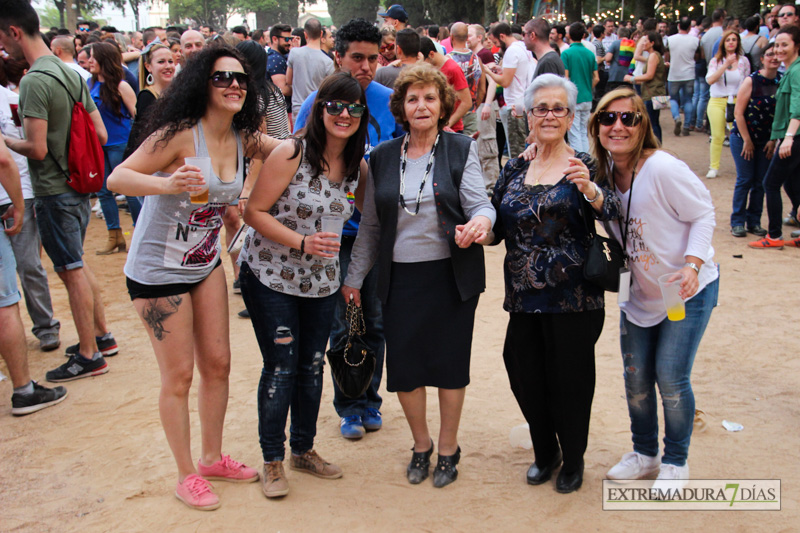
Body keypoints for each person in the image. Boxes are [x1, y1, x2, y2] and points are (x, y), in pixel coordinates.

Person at [107, 45, 282, 510]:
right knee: (179, 375)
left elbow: (290, 150)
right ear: (203, 83)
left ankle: (210, 457)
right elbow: (118, 179)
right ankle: (186, 474)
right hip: (157, 271)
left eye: (242, 80)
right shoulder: (180, 134)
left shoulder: (245, 136)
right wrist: (166, 184)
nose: (234, 86)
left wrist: (337, 120)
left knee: (219, 365)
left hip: (203, 265)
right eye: (223, 78)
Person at [341, 63, 496, 488]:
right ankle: (421, 445)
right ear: (402, 108)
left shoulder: (460, 148)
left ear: (443, 104)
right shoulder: (382, 157)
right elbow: (371, 226)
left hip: (451, 277)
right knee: (406, 370)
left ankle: (448, 448)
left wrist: (480, 224)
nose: (422, 105)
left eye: (430, 97)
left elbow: (481, 204)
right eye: (413, 98)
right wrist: (353, 279)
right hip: (400, 280)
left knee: (448, 366)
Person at [239, 72, 369, 498]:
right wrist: (301, 241)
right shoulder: (291, 152)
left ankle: (303, 449)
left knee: (312, 366)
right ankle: (272, 461)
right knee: (281, 367)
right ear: (319, 108)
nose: (343, 114)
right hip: (271, 275)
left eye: (353, 107)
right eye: (335, 105)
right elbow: (254, 212)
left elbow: (369, 218)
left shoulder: (357, 166)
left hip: (322, 282)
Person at [490, 74, 620, 494]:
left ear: (570, 116)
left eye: (557, 108)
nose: (549, 115)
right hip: (523, 296)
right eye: (540, 108)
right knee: (522, 372)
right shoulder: (516, 165)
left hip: (574, 298)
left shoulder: (586, 163)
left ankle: (573, 458)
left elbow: (615, 213)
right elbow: (494, 221)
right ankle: (545, 451)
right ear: (528, 115)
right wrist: (475, 227)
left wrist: (593, 192)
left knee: (571, 381)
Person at [590, 88, 718, 493]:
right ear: (596, 126)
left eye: (628, 118)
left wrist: (693, 265)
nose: (618, 126)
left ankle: (676, 460)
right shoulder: (602, 173)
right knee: (635, 377)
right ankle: (645, 454)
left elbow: (703, 214)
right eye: (608, 118)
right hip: (638, 289)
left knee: (670, 375)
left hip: (685, 289)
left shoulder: (662, 168)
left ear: (643, 124)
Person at [294, 18, 403, 440]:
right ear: (337, 56)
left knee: (373, 322)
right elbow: (299, 162)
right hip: (330, 237)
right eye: (357, 57)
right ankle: (349, 407)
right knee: (344, 324)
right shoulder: (316, 102)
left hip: (375, 235)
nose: (366, 66)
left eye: (374, 58)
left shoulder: (390, 101)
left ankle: (369, 400)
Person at [1, 1, 120, 381]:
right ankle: (101, 337)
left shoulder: (35, 79)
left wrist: (5, 141)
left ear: (14, 32)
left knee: (69, 269)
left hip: (54, 188)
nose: (3, 48)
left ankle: (88, 353)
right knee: (78, 263)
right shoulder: (69, 73)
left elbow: (35, 148)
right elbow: (99, 134)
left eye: (2, 39)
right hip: (80, 184)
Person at [0, 132, 68, 415]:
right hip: (15, 197)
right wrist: (17, 202)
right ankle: (24, 391)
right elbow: (3, 160)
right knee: (5, 305)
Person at [0, 81, 61, 352]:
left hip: (19, 192)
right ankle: (43, 327)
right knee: (29, 266)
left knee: (29, 265)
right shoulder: (14, 98)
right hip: (21, 194)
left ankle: (45, 326)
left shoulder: (13, 99)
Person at [749, 26, 800, 249]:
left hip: (795, 137)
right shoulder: (790, 70)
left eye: (784, 44)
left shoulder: (797, 71)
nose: (778, 49)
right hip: (791, 136)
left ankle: (775, 236)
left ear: (797, 46)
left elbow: (798, 108)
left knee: (771, 183)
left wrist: (788, 138)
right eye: (777, 44)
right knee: (793, 184)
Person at [87, 41, 141, 254]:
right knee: (103, 191)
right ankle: (115, 235)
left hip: (120, 143)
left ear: (104, 59)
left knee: (129, 190)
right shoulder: (89, 84)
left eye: (93, 57)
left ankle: (138, 233)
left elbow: (138, 114)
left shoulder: (121, 85)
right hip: (98, 145)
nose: (90, 61)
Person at [729, 43, 779, 238]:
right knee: (745, 179)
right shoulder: (752, 81)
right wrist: (747, 140)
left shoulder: (783, 81)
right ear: (762, 59)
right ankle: (737, 222)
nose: (773, 57)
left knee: (761, 181)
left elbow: (781, 115)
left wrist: (773, 140)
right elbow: (738, 113)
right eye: (769, 54)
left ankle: (754, 221)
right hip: (743, 138)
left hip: (766, 141)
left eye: (776, 54)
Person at [705, 30, 750, 178]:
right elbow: (710, 80)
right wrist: (725, 65)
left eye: (734, 40)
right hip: (717, 100)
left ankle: (742, 166)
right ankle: (714, 167)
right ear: (723, 43)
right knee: (717, 136)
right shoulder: (715, 61)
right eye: (728, 40)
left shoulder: (744, 61)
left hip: (737, 101)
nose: (731, 42)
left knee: (738, 134)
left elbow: (747, 82)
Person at [561, 23, 598, 153]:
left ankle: (579, 160)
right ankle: (586, 159)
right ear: (584, 35)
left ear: (569, 35)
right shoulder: (590, 54)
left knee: (574, 133)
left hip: (574, 99)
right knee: (583, 132)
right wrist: (588, 87)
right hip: (587, 97)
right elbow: (596, 78)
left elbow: (565, 78)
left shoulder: (566, 54)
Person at [624, 31, 667, 144]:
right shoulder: (656, 55)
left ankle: (655, 146)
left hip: (652, 94)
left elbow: (649, 75)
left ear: (652, 43)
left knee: (652, 122)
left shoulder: (653, 56)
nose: (643, 43)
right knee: (654, 121)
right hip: (657, 92)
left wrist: (632, 79)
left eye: (645, 41)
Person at [286, 18, 334, 117]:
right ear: (321, 34)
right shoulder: (328, 62)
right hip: (317, 109)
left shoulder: (294, 53)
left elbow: (288, 81)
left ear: (305, 34)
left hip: (298, 108)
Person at [667, 17, 699, 136]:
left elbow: (666, 55)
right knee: (688, 100)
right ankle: (686, 126)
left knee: (673, 98)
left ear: (679, 26)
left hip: (674, 73)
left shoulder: (670, 39)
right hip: (689, 73)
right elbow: (698, 56)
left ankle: (676, 117)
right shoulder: (695, 40)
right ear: (690, 27)